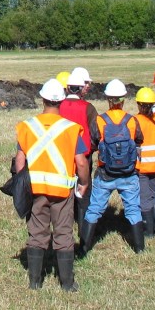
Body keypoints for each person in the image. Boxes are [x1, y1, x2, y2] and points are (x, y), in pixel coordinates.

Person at [14, 78, 89, 292]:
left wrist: (22, 183)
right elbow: (81, 162)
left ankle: (35, 281)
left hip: (35, 189)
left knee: (37, 233)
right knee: (64, 233)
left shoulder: (27, 126)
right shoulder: (71, 129)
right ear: (62, 101)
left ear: (42, 99)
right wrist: (83, 183)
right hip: (62, 192)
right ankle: (67, 283)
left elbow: (20, 159)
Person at [80, 79, 146, 254]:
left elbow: (93, 142)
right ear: (123, 100)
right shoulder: (132, 121)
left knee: (94, 209)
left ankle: (84, 247)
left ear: (108, 100)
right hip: (128, 174)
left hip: (105, 174)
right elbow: (139, 140)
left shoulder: (100, 121)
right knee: (133, 209)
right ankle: (139, 248)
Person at [59, 67, 99, 231]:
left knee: (64, 189)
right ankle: (84, 227)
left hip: (61, 155)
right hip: (83, 155)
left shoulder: (58, 106)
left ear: (68, 87)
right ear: (81, 87)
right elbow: (95, 132)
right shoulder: (88, 107)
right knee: (84, 190)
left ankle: (64, 222)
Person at [132, 86, 155, 238]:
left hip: (144, 167)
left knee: (144, 199)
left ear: (139, 104)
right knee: (154, 197)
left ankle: (149, 231)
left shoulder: (135, 121)